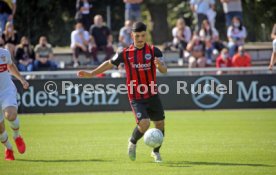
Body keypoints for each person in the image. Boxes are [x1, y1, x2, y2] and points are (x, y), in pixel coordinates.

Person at [77, 22, 167, 163]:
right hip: (136, 96)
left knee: (160, 124)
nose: (140, 38)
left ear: (146, 35)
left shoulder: (154, 51)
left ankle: (156, 152)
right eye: (137, 36)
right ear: (132, 35)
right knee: (144, 124)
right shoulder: (125, 53)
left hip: (152, 94)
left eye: (143, 35)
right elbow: (108, 63)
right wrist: (91, 73)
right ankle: (132, 142)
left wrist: (160, 66)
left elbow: (164, 70)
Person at [0, 47, 29, 160]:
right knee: (0, 129)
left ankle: (17, 136)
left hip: (6, 90)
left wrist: (22, 79)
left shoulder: (4, 53)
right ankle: (9, 148)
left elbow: (10, 66)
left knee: (10, 115)